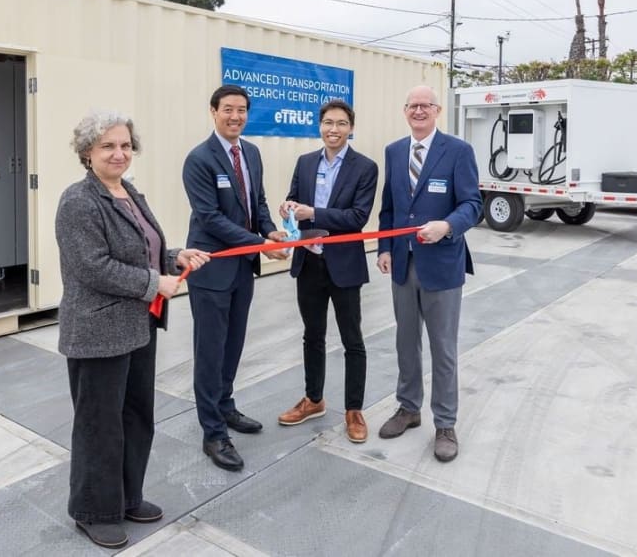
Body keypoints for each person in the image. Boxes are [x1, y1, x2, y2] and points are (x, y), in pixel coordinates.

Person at [55, 111, 210, 548]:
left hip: (138, 325)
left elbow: (144, 247)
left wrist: (173, 257)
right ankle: (93, 509)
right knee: (98, 424)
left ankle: (126, 497)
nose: (119, 153)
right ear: (87, 152)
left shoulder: (129, 193)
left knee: (136, 416)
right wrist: (153, 283)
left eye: (125, 145)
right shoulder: (78, 201)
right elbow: (93, 266)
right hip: (98, 329)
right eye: (108, 146)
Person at [182, 84, 289, 472]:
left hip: (243, 269)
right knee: (209, 351)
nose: (235, 117)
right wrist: (260, 243)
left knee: (233, 345)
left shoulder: (251, 153)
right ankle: (213, 432)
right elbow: (211, 219)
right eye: (228, 109)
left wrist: (270, 230)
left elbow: (256, 202)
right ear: (213, 112)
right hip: (211, 270)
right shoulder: (199, 159)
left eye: (242, 110)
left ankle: (225, 407)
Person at [376, 86, 482, 463]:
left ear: (437, 110)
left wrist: (448, 226)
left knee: (443, 347)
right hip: (403, 264)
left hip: (442, 265)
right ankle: (408, 408)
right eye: (413, 106)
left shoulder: (457, 151)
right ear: (405, 111)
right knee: (406, 341)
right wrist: (385, 248)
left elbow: (473, 204)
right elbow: (389, 207)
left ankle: (446, 423)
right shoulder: (393, 152)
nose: (419, 111)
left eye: (426, 105)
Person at [277, 99, 378, 443]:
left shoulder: (365, 167)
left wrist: (313, 214)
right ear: (319, 126)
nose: (333, 129)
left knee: (353, 340)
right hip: (309, 263)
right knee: (312, 335)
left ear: (350, 127)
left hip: (344, 265)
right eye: (327, 123)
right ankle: (314, 399)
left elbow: (356, 218)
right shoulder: (305, 162)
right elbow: (294, 200)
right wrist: (288, 208)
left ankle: (354, 410)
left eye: (340, 123)